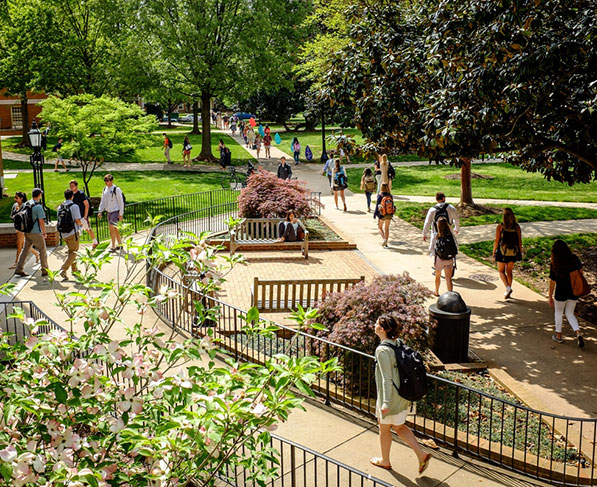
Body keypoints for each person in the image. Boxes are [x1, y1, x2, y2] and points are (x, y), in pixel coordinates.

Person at [370, 314, 431, 473]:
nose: (374, 325)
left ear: (382, 329)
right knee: (399, 426)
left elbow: (386, 379)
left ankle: (385, 461)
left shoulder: (382, 350)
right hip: (402, 395)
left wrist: (385, 404)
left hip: (390, 398)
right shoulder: (397, 343)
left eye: (376, 323)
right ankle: (421, 454)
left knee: (384, 429)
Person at [549, 239, 585, 348]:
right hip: (573, 290)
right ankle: (578, 332)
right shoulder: (573, 258)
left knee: (559, 312)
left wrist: (550, 295)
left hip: (561, 291)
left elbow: (552, 281)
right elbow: (581, 272)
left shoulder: (555, 262)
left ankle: (558, 335)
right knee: (570, 313)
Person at [14, 188, 49, 277]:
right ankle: (44, 270)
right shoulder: (38, 206)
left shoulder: (26, 204)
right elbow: (41, 221)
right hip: (36, 232)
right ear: (39, 195)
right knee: (42, 250)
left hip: (27, 232)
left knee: (25, 250)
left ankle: (19, 268)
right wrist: (44, 232)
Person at [492, 208, 522, 299]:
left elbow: (497, 241)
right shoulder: (516, 227)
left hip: (502, 253)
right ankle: (508, 289)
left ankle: (508, 288)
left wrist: (494, 252)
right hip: (513, 252)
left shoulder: (500, 227)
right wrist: (520, 252)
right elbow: (520, 241)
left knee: (501, 271)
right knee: (509, 271)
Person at [422, 192, 460, 259]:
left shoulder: (432, 210)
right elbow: (457, 219)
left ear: (436, 199)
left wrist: (424, 233)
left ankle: (437, 266)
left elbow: (427, 222)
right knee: (451, 249)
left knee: (436, 252)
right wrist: (456, 229)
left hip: (436, 235)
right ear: (443, 198)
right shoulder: (451, 208)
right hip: (449, 234)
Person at [9, 192, 39, 269]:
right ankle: (36, 253)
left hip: (23, 228)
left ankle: (16, 263)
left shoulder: (25, 205)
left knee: (19, 245)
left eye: (16, 197)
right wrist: (15, 213)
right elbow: (12, 216)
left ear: (21, 198)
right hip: (17, 227)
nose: (15, 199)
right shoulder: (15, 206)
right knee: (23, 245)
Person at [58, 189, 82, 280]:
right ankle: (63, 270)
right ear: (72, 196)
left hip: (64, 233)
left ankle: (74, 269)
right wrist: (81, 225)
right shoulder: (74, 206)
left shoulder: (60, 207)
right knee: (73, 252)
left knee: (71, 251)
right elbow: (77, 220)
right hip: (72, 233)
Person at [97, 174, 125, 252]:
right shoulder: (104, 189)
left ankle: (113, 246)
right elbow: (102, 201)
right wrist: (100, 211)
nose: (106, 182)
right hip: (108, 211)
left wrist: (121, 214)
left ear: (111, 180)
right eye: (105, 181)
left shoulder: (116, 189)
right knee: (115, 229)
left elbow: (121, 202)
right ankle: (120, 244)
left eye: (108, 180)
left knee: (111, 229)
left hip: (115, 211)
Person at [69, 179, 98, 248]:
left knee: (88, 229)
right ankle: (74, 246)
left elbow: (86, 205)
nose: (71, 187)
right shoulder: (71, 195)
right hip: (75, 217)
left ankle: (95, 242)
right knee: (75, 232)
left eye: (72, 186)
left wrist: (85, 216)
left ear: (76, 186)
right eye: (70, 186)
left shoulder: (81, 194)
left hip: (82, 215)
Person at [434, 217, 457, 296]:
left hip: (439, 259)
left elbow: (433, 248)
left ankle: (436, 292)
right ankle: (450, 295)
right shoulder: (451, 235)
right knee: (448, 278)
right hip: (449, 259)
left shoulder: (437, 236)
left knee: (437, 276)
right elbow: (456, 247)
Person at [374, 183, 394, 247]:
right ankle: (386, 242)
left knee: (380, 227)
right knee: (387, 228)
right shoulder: (390, 196)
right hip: (389, 213)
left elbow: (377, 205)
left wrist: (375, 214)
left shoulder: (380, 195)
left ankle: (384, 239)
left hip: (382, 214)